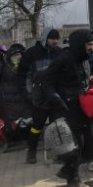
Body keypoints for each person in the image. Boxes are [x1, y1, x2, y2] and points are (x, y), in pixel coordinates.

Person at [41, 29, 93, 187]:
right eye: (89, 44)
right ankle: (74, 179)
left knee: (87, 143)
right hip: (66, 108)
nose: (92, 48)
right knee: (75, 145)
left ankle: (68, 172)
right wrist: (56, 98)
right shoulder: (63, 59)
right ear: (80, 44)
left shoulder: (83, 60)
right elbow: (46, 81)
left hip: (81, 107)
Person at [19, 28, 61, 164]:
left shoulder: (59, 53)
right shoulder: (32, 54)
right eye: (52, 38)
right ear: (45, 38)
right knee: (37, 125)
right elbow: (24, 76)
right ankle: (31, 151)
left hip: (55, 95)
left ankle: (57, 153)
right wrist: (29, 94)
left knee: (56, 125)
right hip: (39, 97)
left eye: (56, 38)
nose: (55, 41)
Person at [0, 44, 28, 134]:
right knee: (12, 123)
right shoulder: (4, 67)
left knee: (23, 122)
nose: (19, 57)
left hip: (21, 99)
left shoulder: (25, 67)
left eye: (20, 55)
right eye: (16, 55)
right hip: (9, 101)